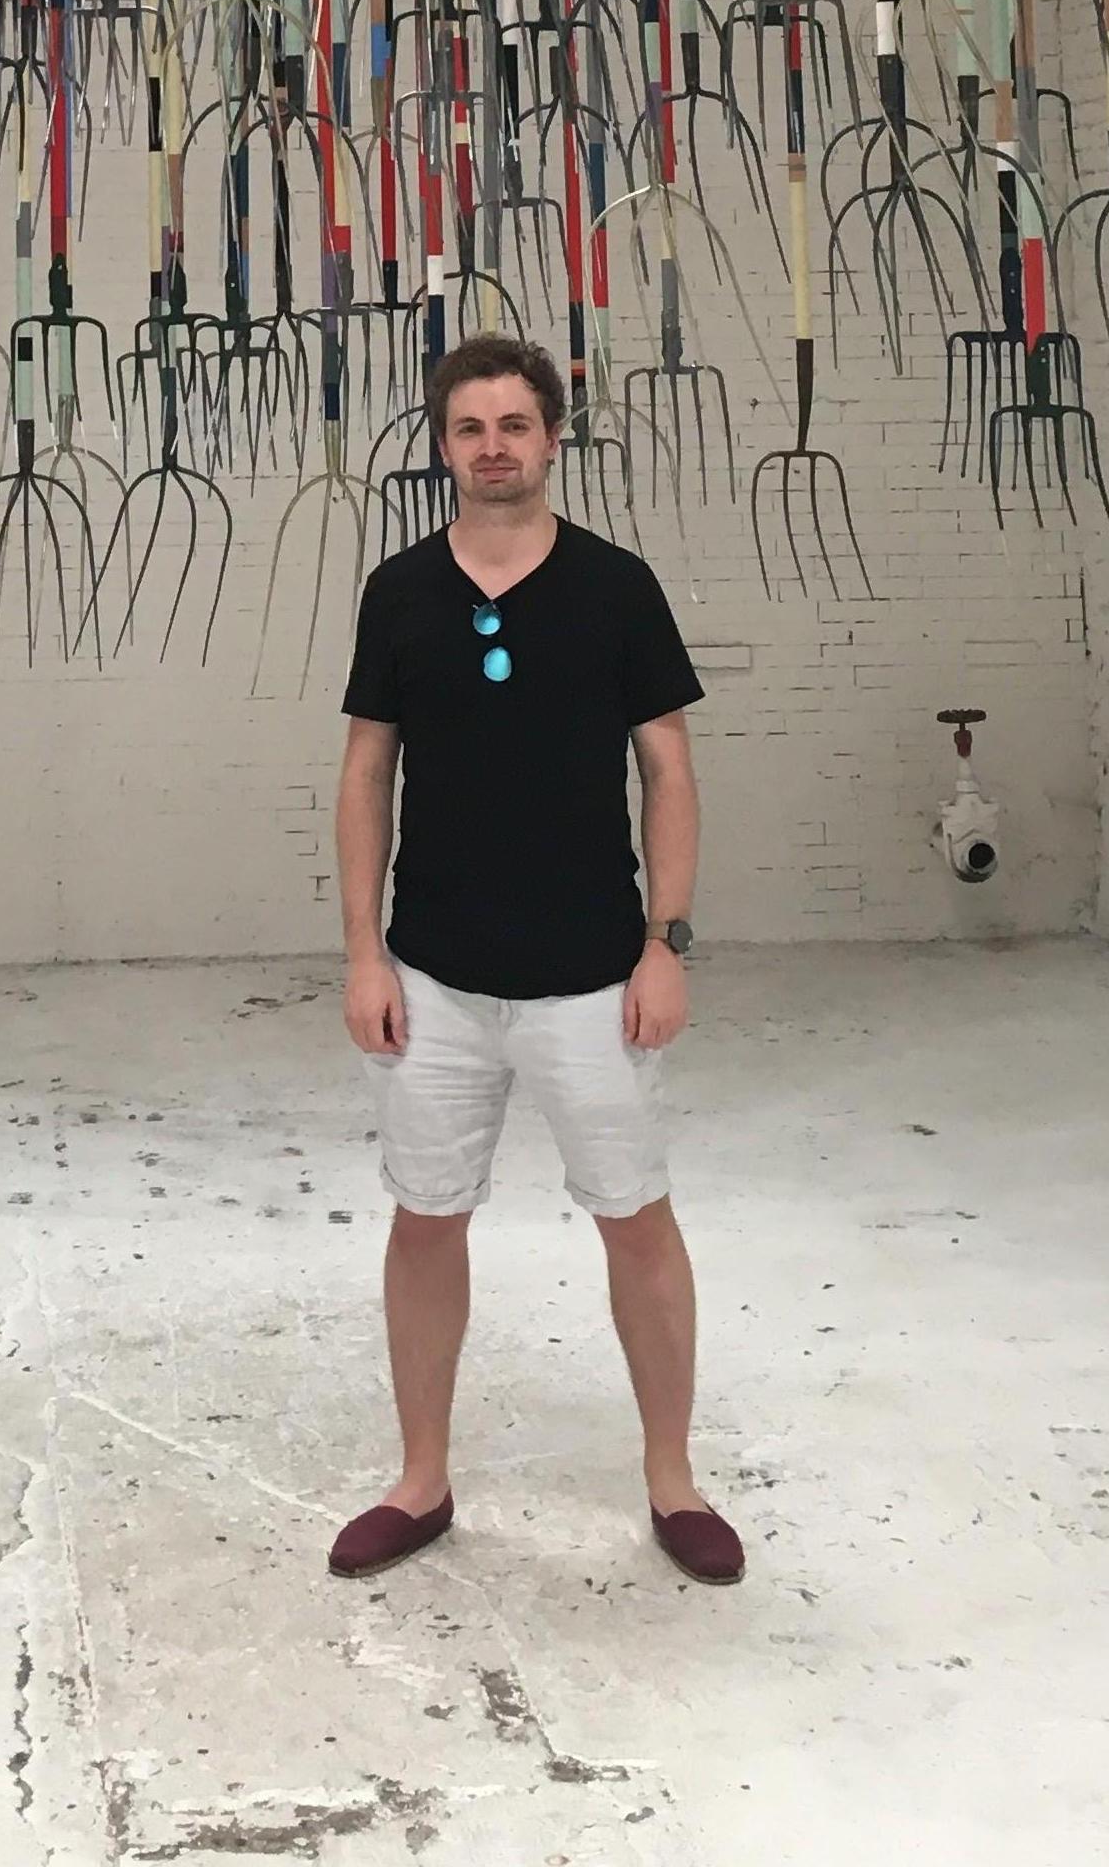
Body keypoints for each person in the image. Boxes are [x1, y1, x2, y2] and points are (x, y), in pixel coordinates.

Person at [327, 336, 743, 1587]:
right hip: (434, 979)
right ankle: (420, 1478)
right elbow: (365, 775)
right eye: (470, 427)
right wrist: (364, 954)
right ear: (441, 444)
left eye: (515, 424)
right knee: (424, 1221)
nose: (493, 446)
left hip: (593, 979)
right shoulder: (400, 591)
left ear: (553, 439)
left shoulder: (615, 587)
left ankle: (671, 1480)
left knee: (636, 1221)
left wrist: (664, 942)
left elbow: (668, 773)